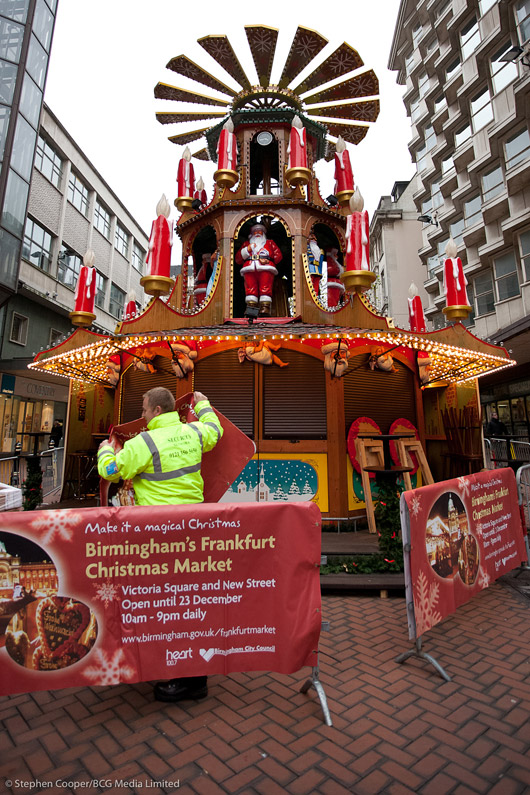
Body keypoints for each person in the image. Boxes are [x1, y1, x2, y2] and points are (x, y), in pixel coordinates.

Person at [97, 386, 223, 702]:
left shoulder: (144, 442)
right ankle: (193, 676)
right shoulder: (193, 433)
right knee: (189, 604)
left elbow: (111, 471)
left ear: (155, 411)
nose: (141, 415)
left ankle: (184, 679)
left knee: (165, 606)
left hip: (158, 538)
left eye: (143, 409)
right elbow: (215, 430)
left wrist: (105, 449)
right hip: (193, 533)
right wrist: (205, 403)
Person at [235, 222, 282, 316]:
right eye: (255, 231)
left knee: (265, 287)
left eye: (260, 231)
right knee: (250, 288)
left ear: (263, 233)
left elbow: (278, 256)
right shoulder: (246, 244)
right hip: (249, 268)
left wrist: (269, 260)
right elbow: (238, 259)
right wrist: (247, 250)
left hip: (265, 269)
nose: (257, 233)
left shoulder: (270, 243)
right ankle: (251, 310)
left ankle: (265, 309)